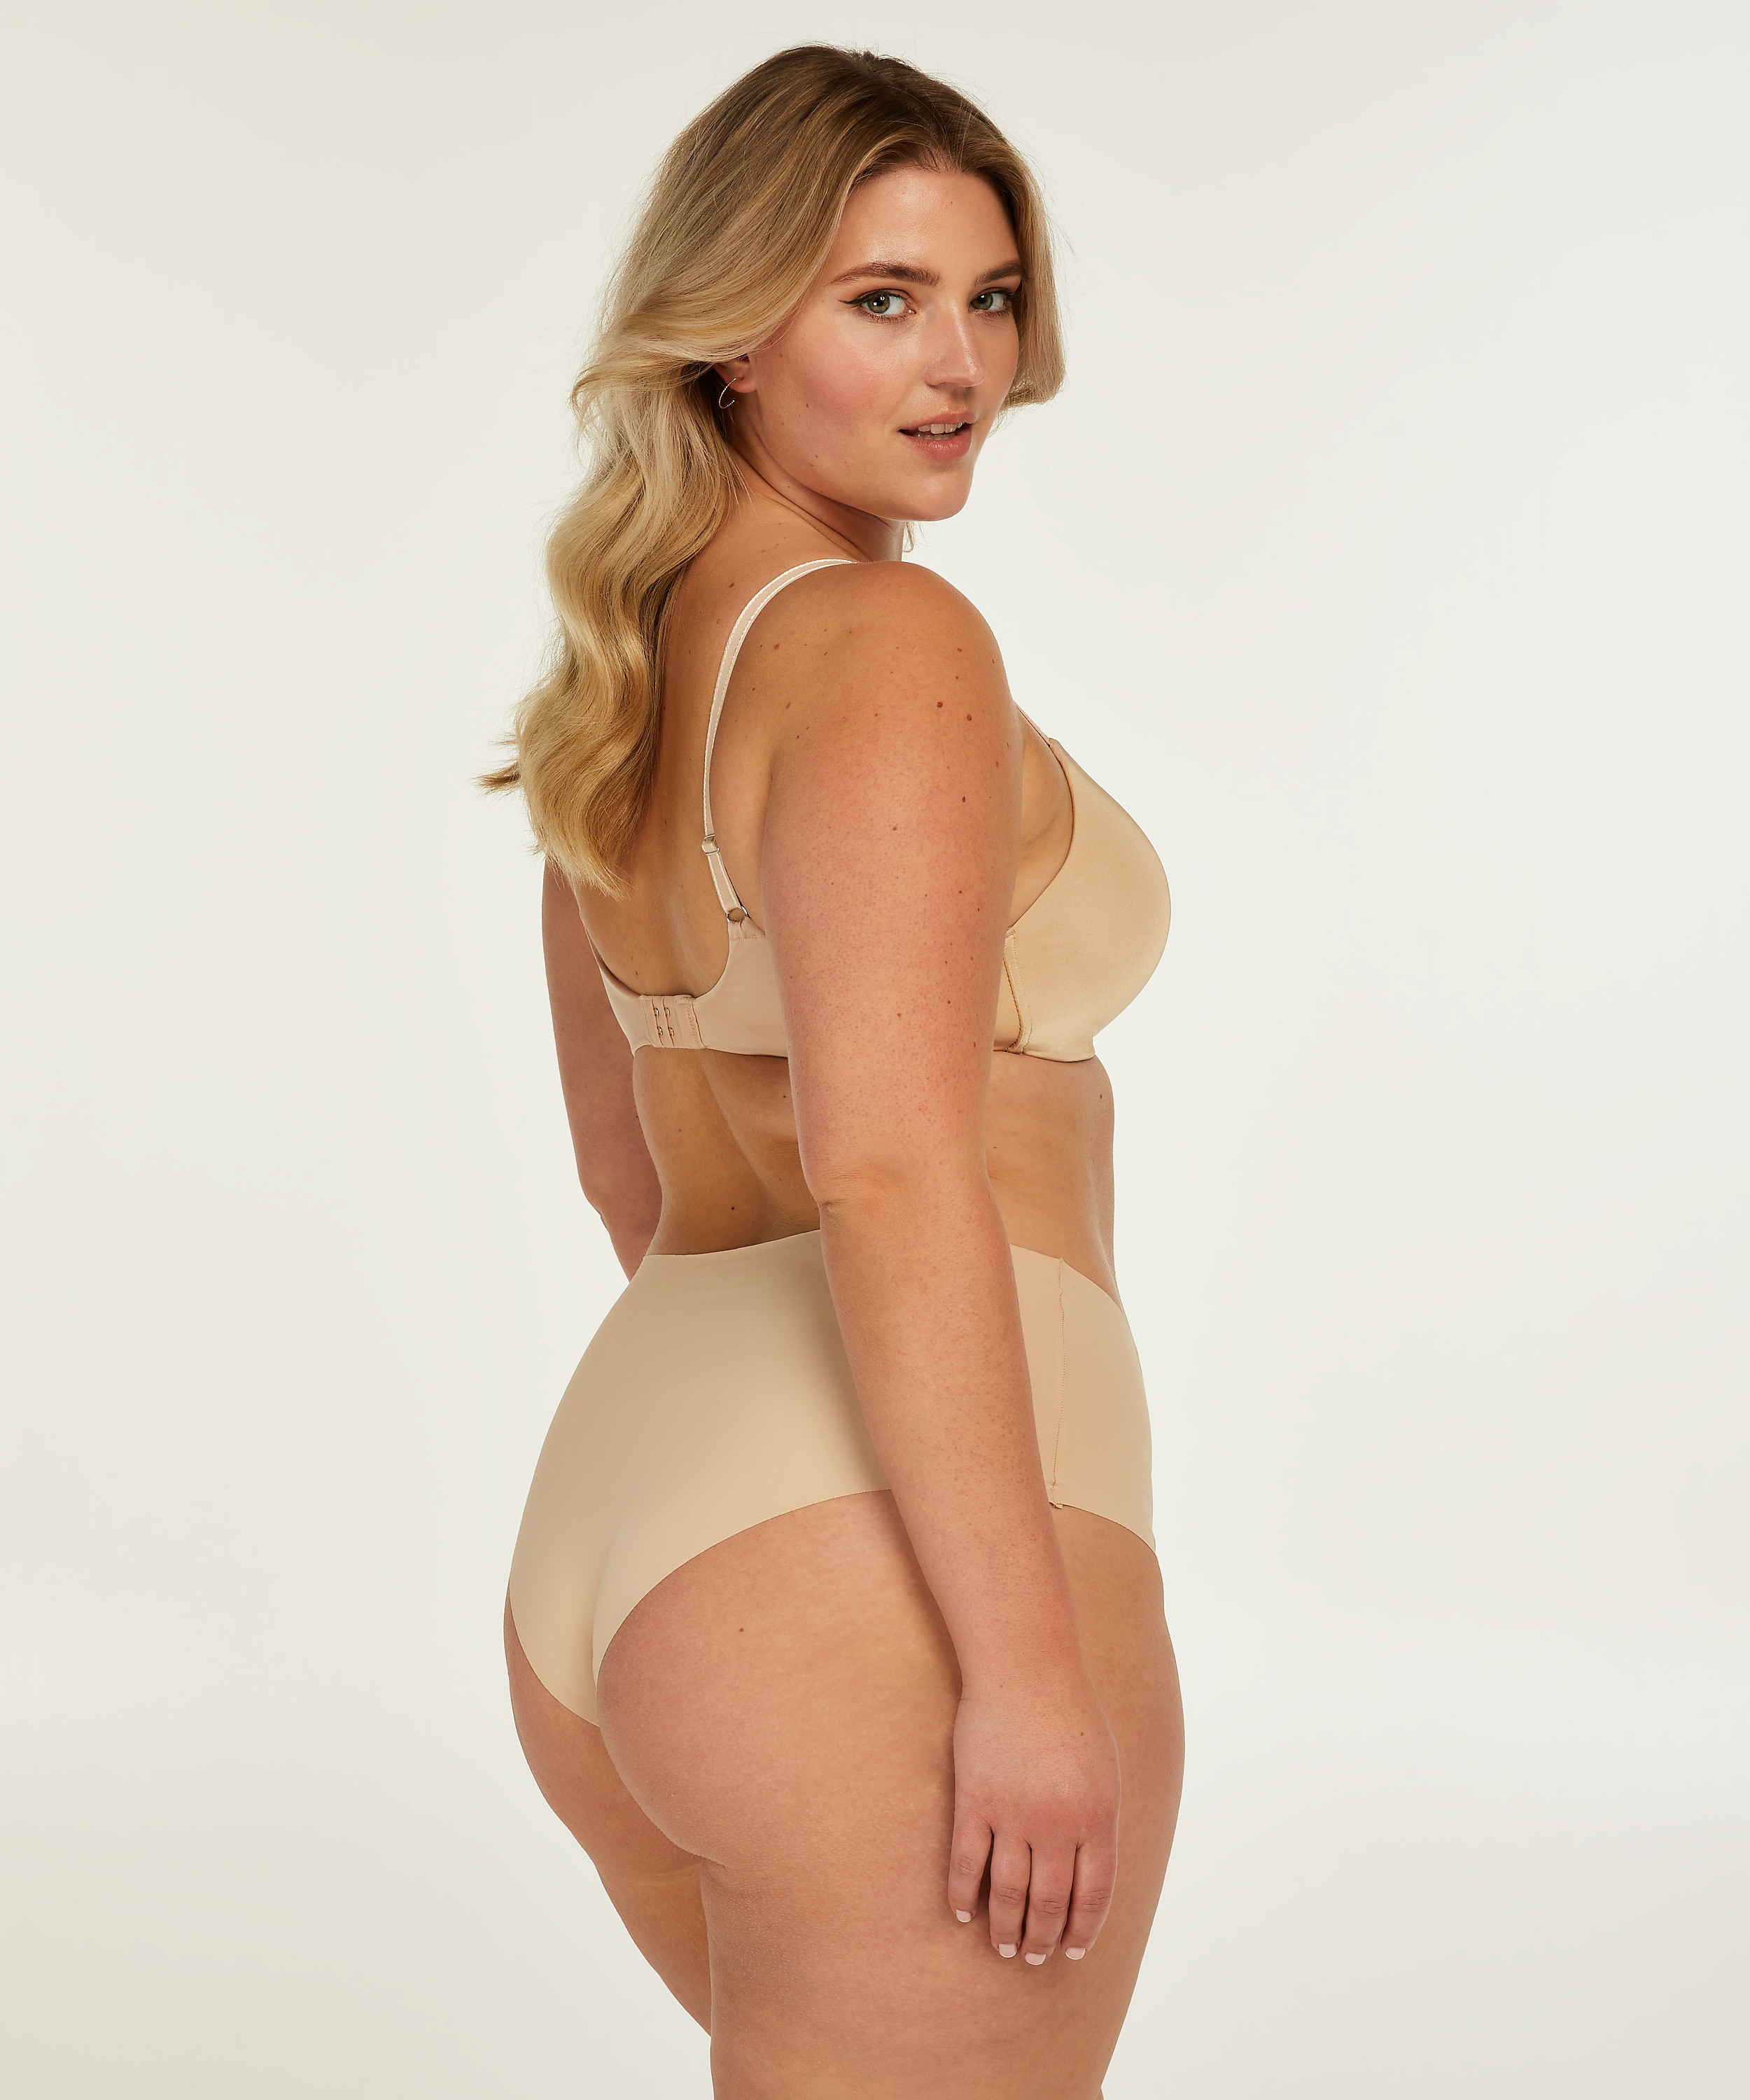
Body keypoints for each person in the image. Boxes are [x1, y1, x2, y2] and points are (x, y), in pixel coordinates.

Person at [486, 44, 1184, 2097]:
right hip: (869, 1567)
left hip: (646, 1495)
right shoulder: (886, 646)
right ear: (726, 330)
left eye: (988, 297)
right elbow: (885, 1172)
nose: (957, 362)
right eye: (881, 298)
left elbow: (627, 1177)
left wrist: (732, 1509)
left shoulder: (626, 686)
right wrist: (1023, 1673)